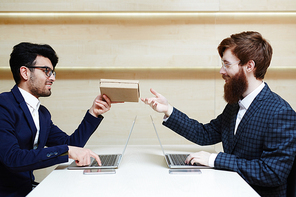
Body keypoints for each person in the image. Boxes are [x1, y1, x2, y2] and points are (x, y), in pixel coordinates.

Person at [141, 31, 296, 197]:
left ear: (249, 66)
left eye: (227, 65)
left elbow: (272, 172)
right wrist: (168, 109)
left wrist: (214, 160)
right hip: (230, 188)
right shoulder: (235, 104)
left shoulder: (280, 113)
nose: (222, 71)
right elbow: (205, 134)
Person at [0, 42, 112, 196]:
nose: (52, 78)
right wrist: (67, 150)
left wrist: (94, 113)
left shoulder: (42, 114)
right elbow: (12, 158)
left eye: (53, 72)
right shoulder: (3, 106)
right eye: (46, 71)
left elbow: (72, 145)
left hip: (29, 190)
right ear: (25, 73)